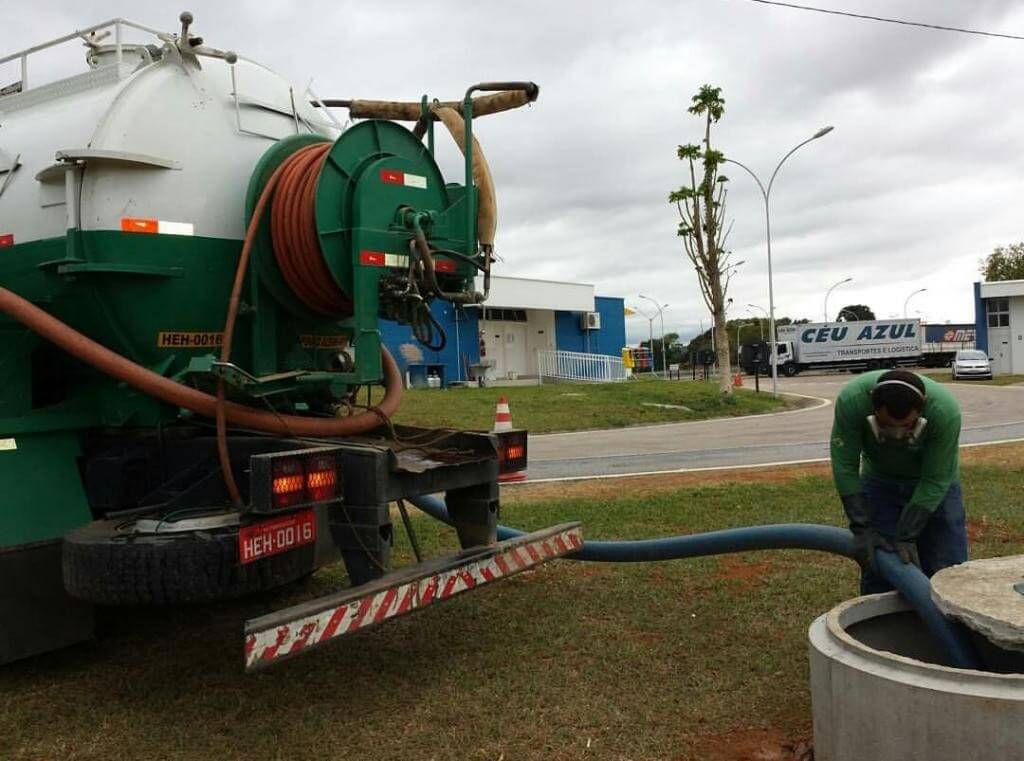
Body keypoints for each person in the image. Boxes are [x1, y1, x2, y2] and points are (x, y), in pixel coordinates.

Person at [830, 368, 967, 593]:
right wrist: (861, 526)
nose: (896, 434)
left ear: (922, 410)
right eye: (886, 425)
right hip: (879, 482)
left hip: (936, 486)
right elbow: (845, 464)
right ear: (872, 407)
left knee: (947, 569)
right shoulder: (852, 401)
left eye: (907, 426)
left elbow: (935, 479)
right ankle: (879, 623)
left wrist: (907, 533)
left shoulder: (944, 411)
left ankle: (948, 627)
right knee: (880, 565)